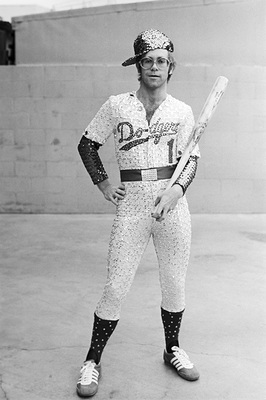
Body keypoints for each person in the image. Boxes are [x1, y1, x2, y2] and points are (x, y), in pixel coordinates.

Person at [77, 28, 200, 398]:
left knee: (174, 282)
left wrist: (176, 191)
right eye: (148, 60)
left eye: (161, 61)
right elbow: (86, 145)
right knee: (116, 285)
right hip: (131, 206)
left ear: (170, 67)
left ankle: (172, 348)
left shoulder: (182, 111)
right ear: (138, 66)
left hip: (172, 208)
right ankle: (92, 360)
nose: (155, 67)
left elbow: (191, 160)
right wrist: (102, 182)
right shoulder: (118, 105)